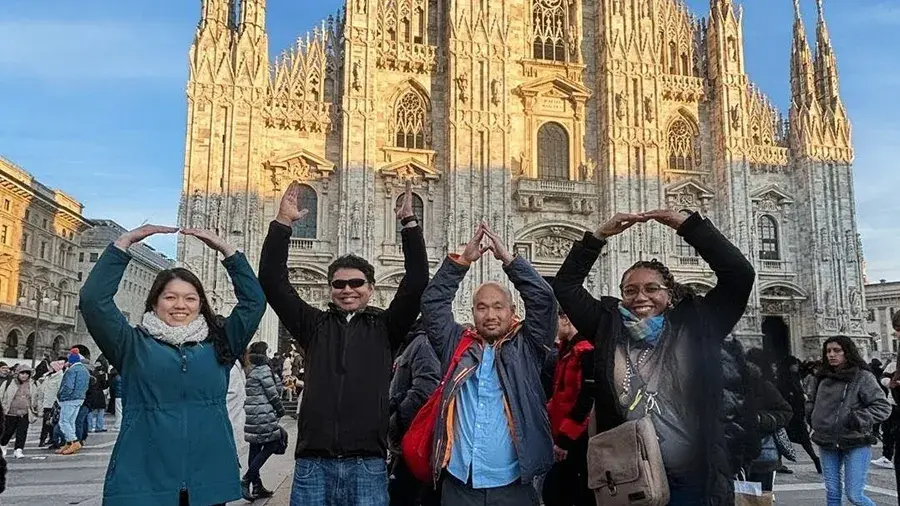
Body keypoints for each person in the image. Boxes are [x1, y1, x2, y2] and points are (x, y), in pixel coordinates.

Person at [552, 210, 755, 503]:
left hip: (692, 475)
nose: (640, 297)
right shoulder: (608, 328)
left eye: (652, 289)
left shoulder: (697, 326)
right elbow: (566, 287)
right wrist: (598, 236)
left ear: (669, 294)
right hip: (630, 473)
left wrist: (689, 227)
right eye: (630, 290)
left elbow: (739, 274)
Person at [258, 180, 428, 506]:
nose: (347, 289)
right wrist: (282, 224)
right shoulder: (314, 325)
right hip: (313, 462)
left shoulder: (386, 328)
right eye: (339, 284)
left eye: (356, 283)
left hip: (367, 462)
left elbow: (417, 281)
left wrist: (409, 224)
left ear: (370, 288)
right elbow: (272, 280)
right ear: (330, 288)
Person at [79, 224, 267, 506]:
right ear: (154, 303)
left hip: (207, 477)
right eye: (170, 297)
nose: (181, 305)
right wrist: (123, 244)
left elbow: (254, 302)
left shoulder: (220, 343)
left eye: (190, 298)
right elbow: (94, 301)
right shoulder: (131, 345)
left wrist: (228, 252)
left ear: (201, 304)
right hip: (144, 477)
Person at [421, 222, 557, 505]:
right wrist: (463, 262)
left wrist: (509, 261)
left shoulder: (527, 350)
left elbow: (544, 300)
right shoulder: (457, 347)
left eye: (498, 307)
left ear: (512, 312)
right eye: (482, 307)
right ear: (473, 312)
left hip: (513, 485)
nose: (490, 314)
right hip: (460, 483)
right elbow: (433, 304)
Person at [807, 336, 891, 506]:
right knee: (832, 492)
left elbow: (883, 407)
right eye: (828, 351)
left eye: (837, 350)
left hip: (855, 440)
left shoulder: (862, 377)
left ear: (848, 352)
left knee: (854, 494)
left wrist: (857, 418)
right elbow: (811, 400)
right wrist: (813, 415)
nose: (831, 355)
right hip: (827, 439)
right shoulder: (821, 377)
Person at [542, 310, 595, 506]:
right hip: (560, 431)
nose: (554, 327)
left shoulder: (586, 351)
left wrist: (565, 439)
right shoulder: (566, 350)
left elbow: (585, 400)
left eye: (555, 321)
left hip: (576, 438)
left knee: (565, 491)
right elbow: (560, 393)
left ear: (567, 319)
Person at [388, 322, 441, 506]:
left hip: (414, 445)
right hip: (405, 444)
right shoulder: (409, 344)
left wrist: (398, 420)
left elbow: (425, 390)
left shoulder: (423, 344)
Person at [743, 350, 793, 493]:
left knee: (759, 497)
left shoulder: (764, 386)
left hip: (762, 451)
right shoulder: (726, 386)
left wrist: (761, 419)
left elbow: (786, 412)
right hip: (733, 454)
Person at [242, 341, 285, 501]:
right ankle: (246, 479)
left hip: (252, 414)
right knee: (272, 444)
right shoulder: (263, 369)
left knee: (255, 448)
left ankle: (257, 486)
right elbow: (272, 393)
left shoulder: (248, 367)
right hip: (264, 413)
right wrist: (280, 410)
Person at [776, 356, 822, 473]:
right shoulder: (782, 379)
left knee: (801, 438)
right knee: (781, 438)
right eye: (794, 364)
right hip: (788, 414)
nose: (797, 366)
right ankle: (779, 463)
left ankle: (815, 459)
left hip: (797, 413)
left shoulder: (795, 377)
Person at [0, 365, 39, 459]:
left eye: (27, 373)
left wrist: (36, 410)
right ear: (18, 373)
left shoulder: (33, 384)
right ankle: (3, 446)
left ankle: (18, 450)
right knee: (8, 432)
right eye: (22, 373)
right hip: (10, 412)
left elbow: (37, 397)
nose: (24, 375)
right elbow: (1, 395)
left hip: (25, 413)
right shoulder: (8, 383)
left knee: (22, 432)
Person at [56, 349, 90, 455]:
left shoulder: (71, 370)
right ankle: (69, 442)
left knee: (64, 421)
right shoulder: (85, 370)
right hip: (80, 398)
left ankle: (74, 442)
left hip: (69, 399)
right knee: (71, 421)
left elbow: (68, 386)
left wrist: (61, 395)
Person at [85, 367, 108, 433]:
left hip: (91, 396)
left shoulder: (90, 377)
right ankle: (99, 427)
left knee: (90, 412)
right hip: (100, 396)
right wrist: (104, 377)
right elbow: (105, 386)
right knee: (100, 412)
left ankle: (89, 427)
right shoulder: (101, 376)